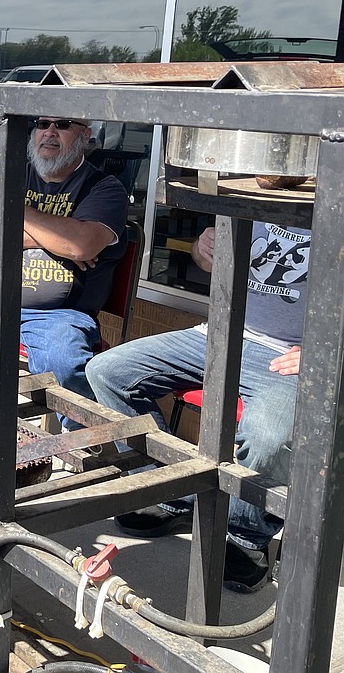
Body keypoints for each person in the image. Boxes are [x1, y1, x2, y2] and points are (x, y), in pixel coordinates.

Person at [86, 222, 306, 593]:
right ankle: (167, 491)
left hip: (289, 357)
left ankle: (246, 534)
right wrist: (201, 248)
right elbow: (208, 260)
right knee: (108, 371)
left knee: (269, 435)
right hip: (217, 334)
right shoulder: (255, 200)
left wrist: (330, 352)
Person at [0, 116, 128, 428]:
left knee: (64, 362)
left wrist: (14, 212)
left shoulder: (104, 188)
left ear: (85, 136)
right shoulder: (9, 174)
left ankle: (86, 441)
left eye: (63, 125)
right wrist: (55, 238)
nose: (49, 133)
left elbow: (80, 245)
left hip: (58, 313)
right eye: (42, 124)